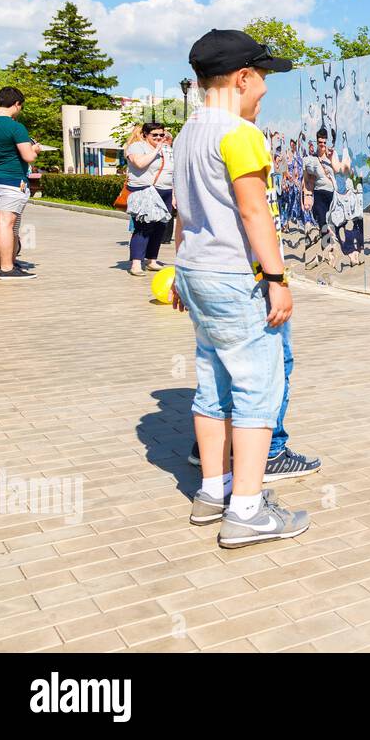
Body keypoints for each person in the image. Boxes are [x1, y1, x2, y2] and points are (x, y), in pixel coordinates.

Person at [170, 28, 308, 547]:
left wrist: (180, 269)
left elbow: (183, 210)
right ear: (243, 78)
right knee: (257, 388)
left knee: (212, 383)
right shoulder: (240, 134)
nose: (266, 90)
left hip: (197, 272)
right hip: (236, 277)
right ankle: (247, 510)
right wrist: (276, 279)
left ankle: (213, 490)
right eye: (264, 78)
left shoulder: (186, 134)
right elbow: (254, 212)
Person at [0, 86, 43, 281]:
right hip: (12, 179)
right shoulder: (15, 127)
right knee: (6, 224)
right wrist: (36, 149)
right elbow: (28, 156)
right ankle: (7, 268)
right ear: (16, 104)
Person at [123, 122, 174, 276]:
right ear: (145, 135)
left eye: (161, 134)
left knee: (160, 228)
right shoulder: (137, 147)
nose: (159, 137)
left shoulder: (167, 149)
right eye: (155, 135)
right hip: (145, 191)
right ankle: (136, 263)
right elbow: (139, 164)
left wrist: (175, 195)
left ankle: (152, 259)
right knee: (144, 227)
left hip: (165, 191)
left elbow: (172, 170)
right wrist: (157, 150)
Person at [302, 127, 341, 268]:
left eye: (324, 142)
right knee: (322, 221)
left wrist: (331, 159)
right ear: (317, 142)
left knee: (330, 224)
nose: (322, 145)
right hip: (319, 193)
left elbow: (337, 170)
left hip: (331, 194)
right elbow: (306, 178)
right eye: (320, 142)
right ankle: (328, 249)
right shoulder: (311, 159)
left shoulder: (332, 155)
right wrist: (307, 195)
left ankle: (328, 254)